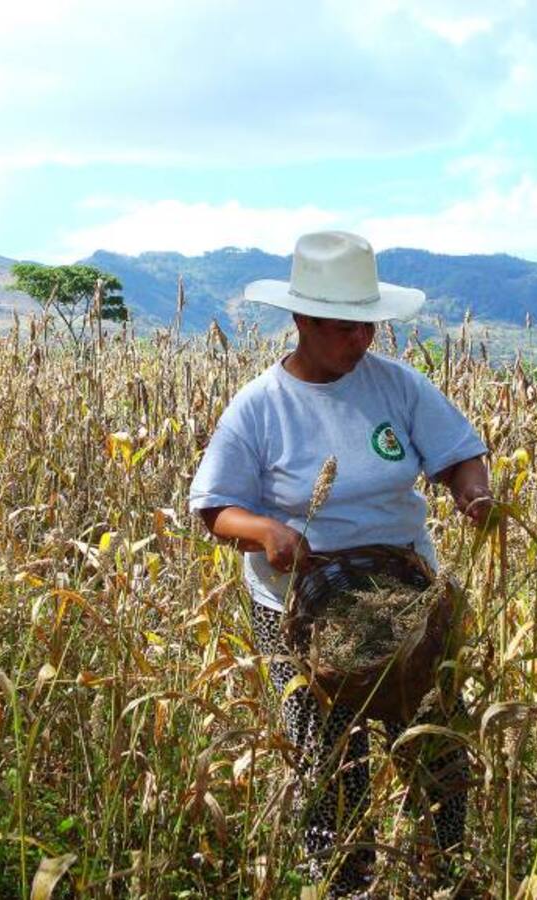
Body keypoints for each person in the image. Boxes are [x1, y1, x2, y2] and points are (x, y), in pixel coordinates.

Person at [188, 231, 493, 897]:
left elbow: (458, 455)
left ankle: (443, 876)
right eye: (342, 329)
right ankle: (340, 881)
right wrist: (266, 530)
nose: (360, 342)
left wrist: (473, 492)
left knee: (437, 747)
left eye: (368, 327)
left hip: (404, 602)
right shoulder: (261, 407)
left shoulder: (397, 388)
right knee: (329, 762)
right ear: (301, 320)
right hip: (299, 612)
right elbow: (214, 509)